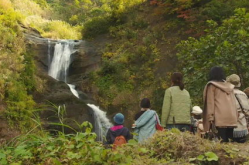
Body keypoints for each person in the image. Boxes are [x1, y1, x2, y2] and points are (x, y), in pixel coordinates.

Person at [203, 66, 238, 142]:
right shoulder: (230, 87)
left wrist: (210, 117)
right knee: (230, 142)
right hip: (231, 116)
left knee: (221, 142)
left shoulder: (211, 86)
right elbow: (233, 103)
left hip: (219, 117)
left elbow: (210, 103)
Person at [226, 74, 249, 143]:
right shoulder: (243, 94)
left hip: (229, 127)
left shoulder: (226, 94)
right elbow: (247, 111)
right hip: (242, 127)